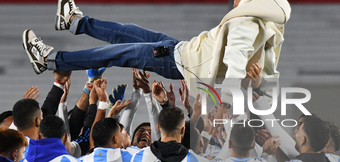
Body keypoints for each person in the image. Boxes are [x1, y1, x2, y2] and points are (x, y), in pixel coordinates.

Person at [23, 0, 290, 105]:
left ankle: (49, 60)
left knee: (117, 53)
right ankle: (74, 22)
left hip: (177, 61)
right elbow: (269, 75)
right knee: (126, 33)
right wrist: (256, 85)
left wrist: (236, 92)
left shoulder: (247, 23)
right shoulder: (267, 27)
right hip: (180, 48)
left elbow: (234, 66)